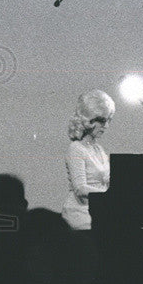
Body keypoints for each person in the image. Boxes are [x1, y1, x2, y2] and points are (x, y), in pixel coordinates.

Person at [61, 89, 115, 231]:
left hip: (99, 209)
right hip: (80, 213)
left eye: (108, 120)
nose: (106, 126)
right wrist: (110, 196)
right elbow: (80, 188)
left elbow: (109, 180)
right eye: (102, 121)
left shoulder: (99, 150)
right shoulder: (75, 148)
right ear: (89, 119)